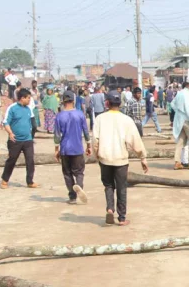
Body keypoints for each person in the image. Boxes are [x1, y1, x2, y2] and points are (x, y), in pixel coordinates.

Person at [92, 90, 149, 226]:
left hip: (105, 158)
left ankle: (110, 209)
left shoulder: (100, 119)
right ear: (120, 103)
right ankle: (122, 218)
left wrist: (97, 155)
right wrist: (143, 158)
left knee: (108, 185)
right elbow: (135, 140)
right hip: (121, 159)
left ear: (107, 103)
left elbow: (95, 140)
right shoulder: (126, 120)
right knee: (122, 187)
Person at [54, 90, 91, 204]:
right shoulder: (80, 114)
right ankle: (79, 186)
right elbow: (85, 131)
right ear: (73, 100)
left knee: (67, 173)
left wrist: (56, 149)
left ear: (63, 101)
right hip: (77, 148)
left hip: (65, 149)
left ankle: (72, 197)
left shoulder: (59, 116)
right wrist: (88, 145)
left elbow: (57, 135)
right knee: (79, 172)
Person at [1, 89, 37, 189]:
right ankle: (4, 180)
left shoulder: (28, 109)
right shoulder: (12, 108)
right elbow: (6, 122)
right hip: (15, 140)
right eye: (28, 98)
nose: (30, 100)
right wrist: (10, 133)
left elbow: (32, 123)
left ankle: (30, 181)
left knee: (30, 161)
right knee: (12, 160)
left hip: (28, 140)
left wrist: (31, 136)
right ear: (22, 98)